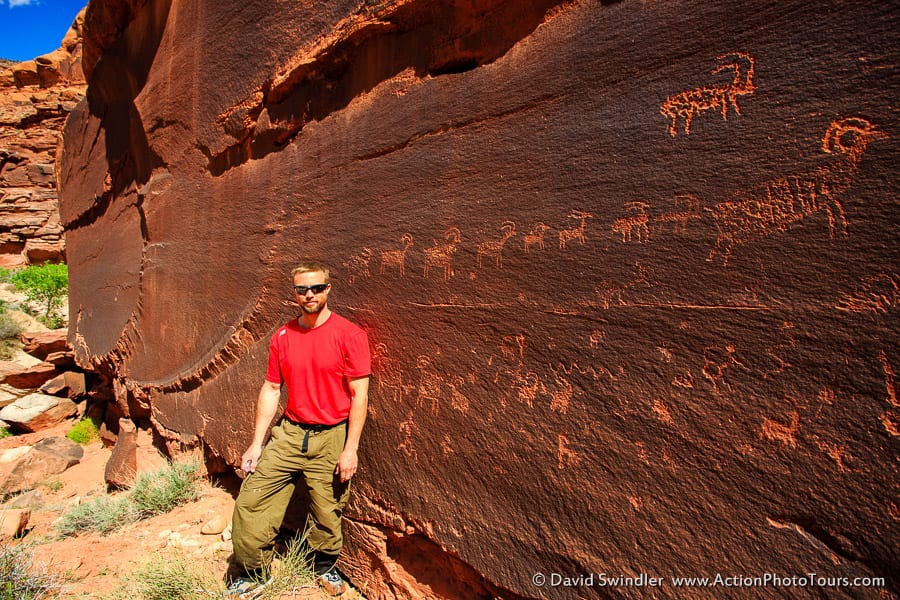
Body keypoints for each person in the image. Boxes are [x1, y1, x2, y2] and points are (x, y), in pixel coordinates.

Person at [226, 261, 371, 597]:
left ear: (328, 289)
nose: (310, 294)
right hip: (290, 433)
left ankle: (323, 567)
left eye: (317, 288)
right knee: (252, 500)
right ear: (294, 293)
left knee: (327, 508)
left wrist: (350, 448)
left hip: (332, 435)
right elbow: (272, 389)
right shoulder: (283, 337)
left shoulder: (350, 335)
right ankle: (252, 572)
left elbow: (358, 394)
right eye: (303, 289)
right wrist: (256, 443)